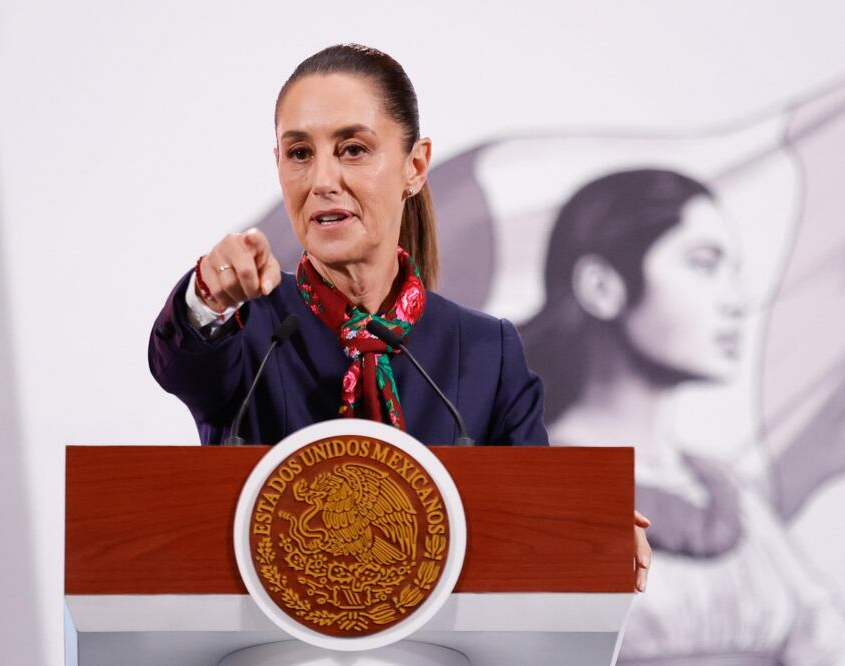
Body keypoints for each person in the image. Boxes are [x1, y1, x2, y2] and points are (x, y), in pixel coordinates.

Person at [147, 43, 650, 592]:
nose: (321, 180)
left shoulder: (486, 351)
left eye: (353, 149)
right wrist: (208, 294)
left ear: (415, 166)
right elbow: (181, 361)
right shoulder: (250, 326)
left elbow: (533, 514)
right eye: (299, 154)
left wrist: (588, 529)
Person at [519, 168, 845, 664]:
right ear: (602, 285)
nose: (735, 302)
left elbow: (820, 635)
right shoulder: (527, 485)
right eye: (703, 264)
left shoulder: (730, 495)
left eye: (734, 272)